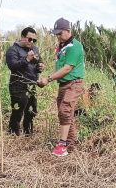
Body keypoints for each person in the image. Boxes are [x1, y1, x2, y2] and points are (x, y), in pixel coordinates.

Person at [38, 18, 85, 156]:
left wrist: (48, 79)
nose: (58, 36)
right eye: (56, 34)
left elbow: (67, 68)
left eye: (60, 33)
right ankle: (70, 146)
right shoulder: (61, 46)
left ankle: (62, 144)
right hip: (63, 84)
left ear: (68, 31)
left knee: (65, 110)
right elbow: (59, 67)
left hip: (74, 83)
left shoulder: (75, 46)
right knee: (64, 114)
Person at [5, 27, 45, 136]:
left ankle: (28, 134)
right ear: (22, 37)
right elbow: (12, 66)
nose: (31, 42)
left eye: (34, 40)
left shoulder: (35, 49)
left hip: (32, 85)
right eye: (29, 39)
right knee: (17, 112)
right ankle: (13, 134)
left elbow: (39, 63)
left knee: (31, 111)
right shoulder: (13, 50)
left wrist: (40, 67)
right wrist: (27, 59)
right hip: (18, 85)